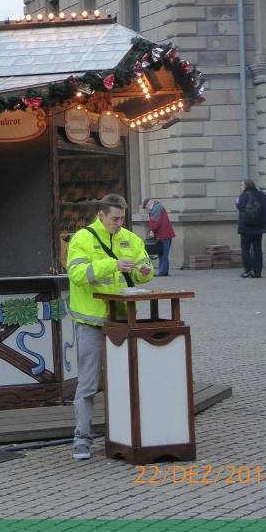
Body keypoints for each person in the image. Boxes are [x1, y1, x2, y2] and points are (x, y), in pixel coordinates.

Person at [66, 194, 154, 461]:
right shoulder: (82, 238)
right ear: (101, 215)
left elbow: (145, 270)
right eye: (115, 218)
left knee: (126, 381)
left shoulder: (130, 238)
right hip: (91, 322)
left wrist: (144, 270)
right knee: (89, 384)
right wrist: (111, 264)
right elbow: (77, 275)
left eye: (122, 218)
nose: (119, 223)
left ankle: (127, 436)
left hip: (122, 320)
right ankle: (81, 440)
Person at [236, 179, 266, 278]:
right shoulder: (261, 195)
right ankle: (257, 272)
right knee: (257, 249)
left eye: (242, 185)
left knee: (245, 249)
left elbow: (241, 207)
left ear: (246, 186)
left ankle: (248, 270)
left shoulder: (244, 195)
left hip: (246, 227)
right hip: (258, 228)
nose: (241, 187)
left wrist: (237, 203)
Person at [142, 198, 175, 276]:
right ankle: (164, 271)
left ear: (148, 203)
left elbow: (155, 221)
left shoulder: (156, 208)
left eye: (146, 207)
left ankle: (162, 272)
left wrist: (152, 230)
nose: (147, 209)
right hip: (164, 234)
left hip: (163, 234)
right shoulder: (157, 207)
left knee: (163, 253)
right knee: (163, 253)